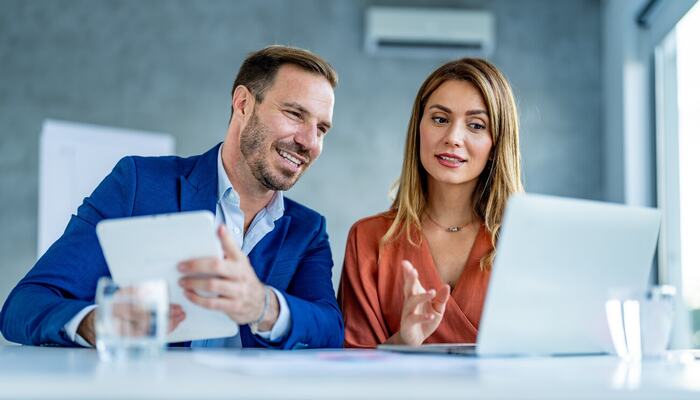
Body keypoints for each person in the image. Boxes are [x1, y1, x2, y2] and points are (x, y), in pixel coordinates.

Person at [0, 45, 343, 349]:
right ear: (243, 104)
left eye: (322, 128)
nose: (309, 142)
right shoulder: (138, 184)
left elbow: (330, 328)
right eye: (295, 114)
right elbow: (24, 305)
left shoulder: (308, 230)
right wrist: (99, 323)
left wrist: (263, 306)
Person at [339, 58, 523, 347]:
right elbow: (354, 371)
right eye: (440, 119)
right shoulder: (368, 239)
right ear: (418, 128)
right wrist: (404, 341)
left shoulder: (523, 242)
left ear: (496, 144)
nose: (453, 138)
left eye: (476, 125)